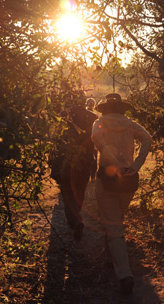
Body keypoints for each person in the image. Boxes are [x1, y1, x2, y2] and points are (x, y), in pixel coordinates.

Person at [91, 93, 152, 295]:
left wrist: (113, 162)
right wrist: (136, 165)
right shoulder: (130, 124)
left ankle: (125, 275)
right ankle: (111, 259)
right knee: (116, 220)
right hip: (129, 180)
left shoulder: (99, 123)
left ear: (105, 108)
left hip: (108, 179)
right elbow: (148, 139)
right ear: (121, 109)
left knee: (113, 225)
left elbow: (97, 141)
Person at [52, 100, 98, 240]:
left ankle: (75, 220)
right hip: (84, 162)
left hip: (66, 163)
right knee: (79, 191)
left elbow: (56, 144)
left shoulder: (63, 119)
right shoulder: (93, 119)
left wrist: (54, 165)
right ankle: (76, 217)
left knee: (67, 193)